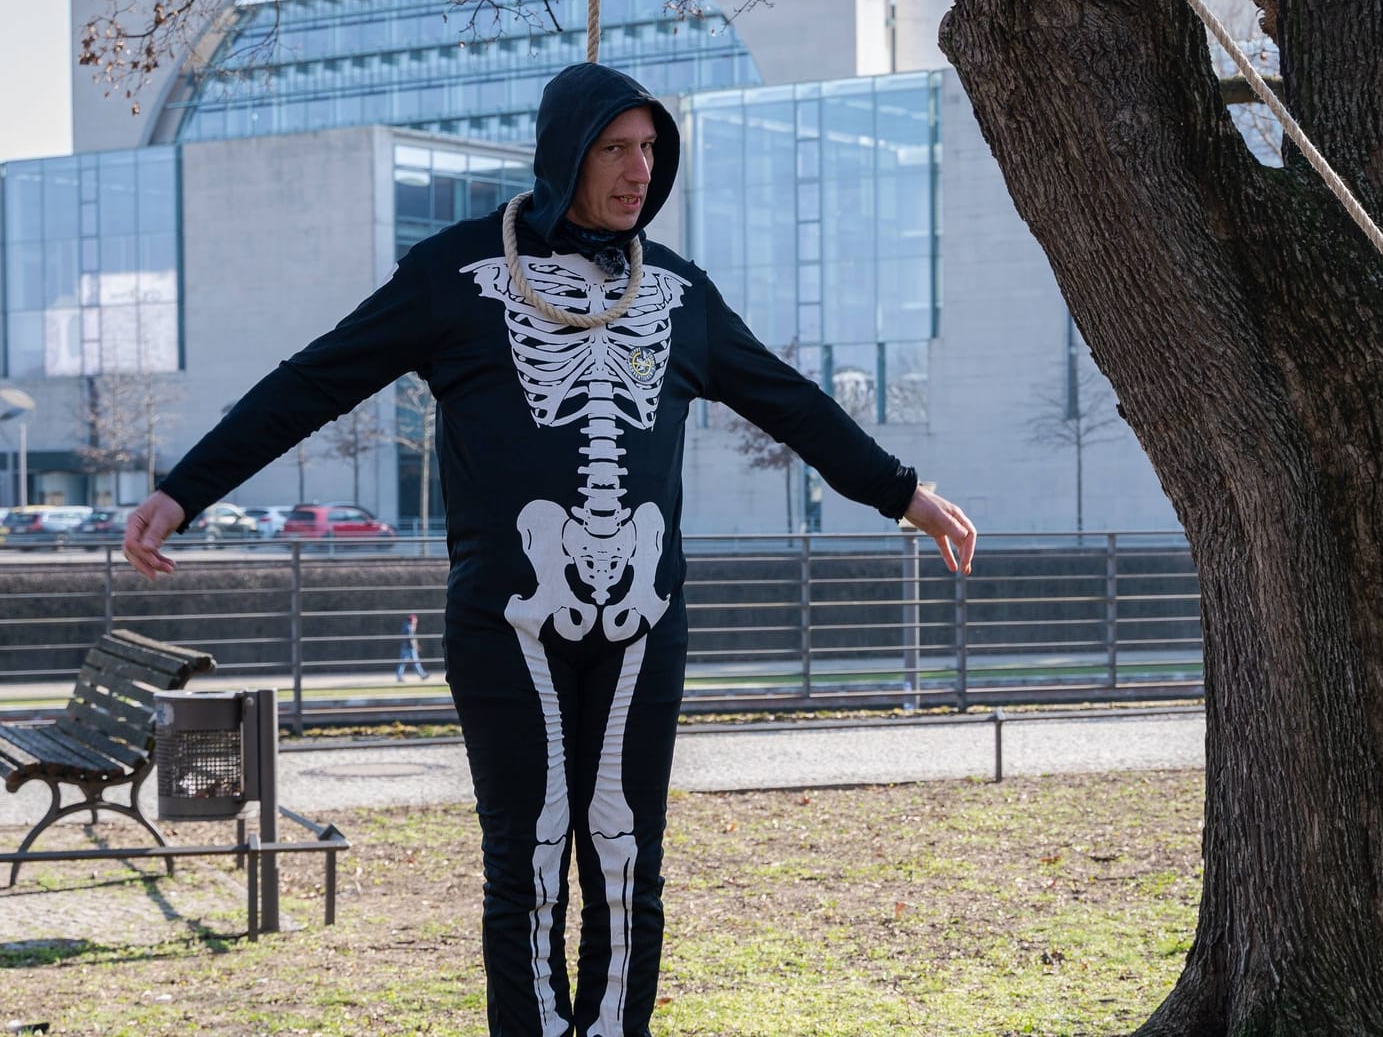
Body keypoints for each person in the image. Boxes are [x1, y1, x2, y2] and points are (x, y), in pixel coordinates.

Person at [121, 62, 978, 1037]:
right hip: (505, 619)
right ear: (565, 152)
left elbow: (793, 403)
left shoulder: (681, 296)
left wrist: (905, 492)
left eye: (651, 148)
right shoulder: (454, 277)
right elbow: (316, 378)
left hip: (646, 621)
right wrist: (184, 487)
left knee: (626, 858)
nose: (638, 170)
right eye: (616, 147)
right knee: (527, 861)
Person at [396, 611, 429, 682]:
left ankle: (399, 676)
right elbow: (411, 639)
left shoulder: (406, 625)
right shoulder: (409, 627)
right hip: (410, 648)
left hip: (406, 647)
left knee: (403, 662)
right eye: (415, 620)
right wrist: (415, 646)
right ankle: (422, 675)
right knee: (415, 662)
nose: (416, 621)